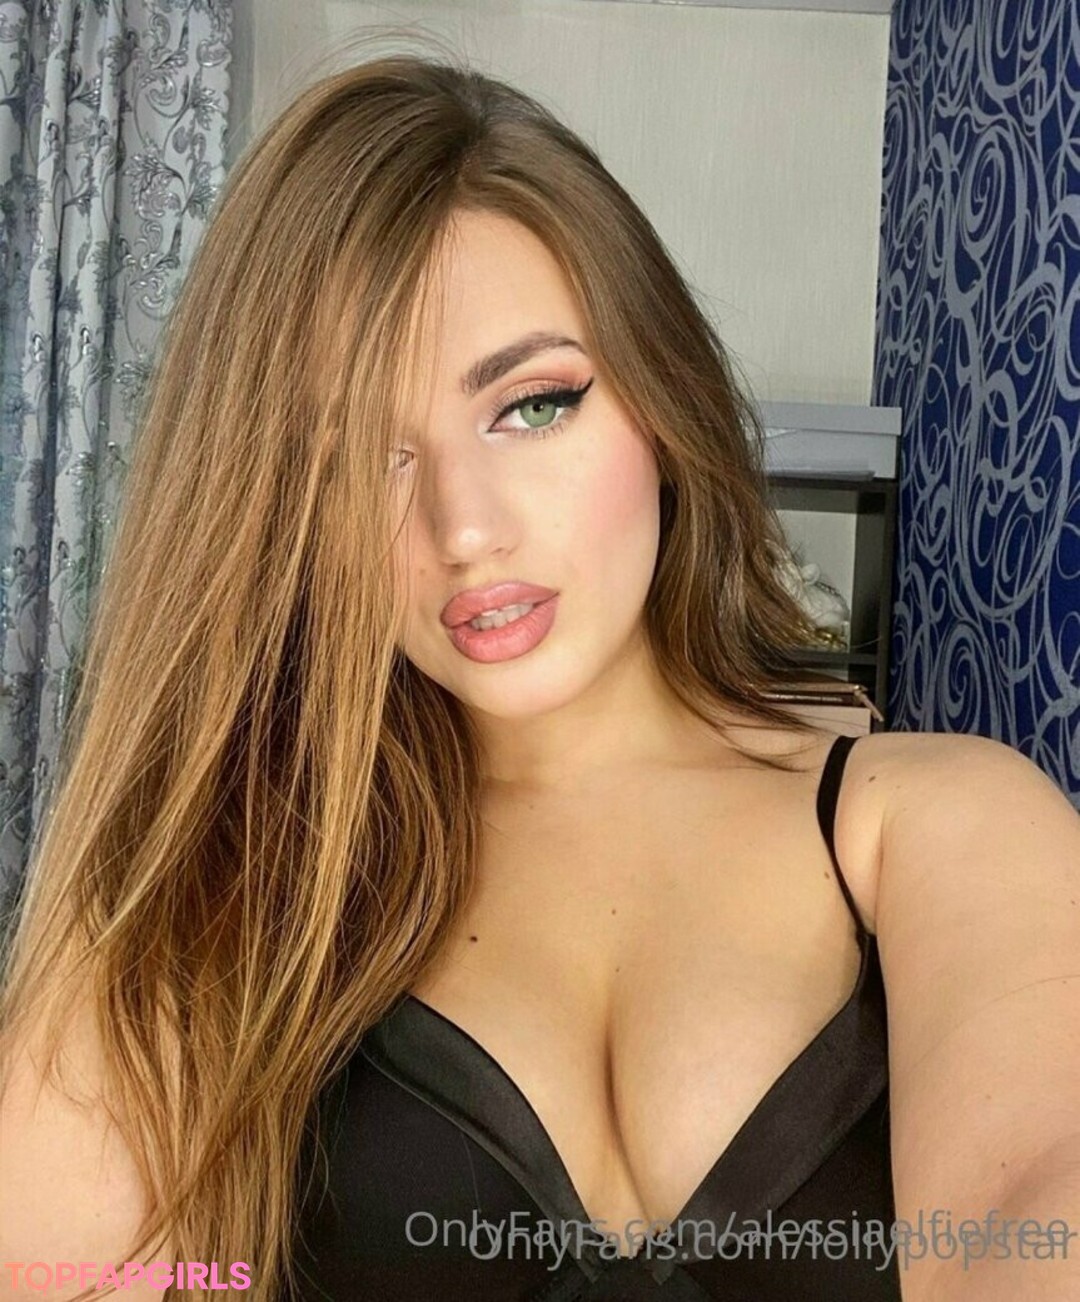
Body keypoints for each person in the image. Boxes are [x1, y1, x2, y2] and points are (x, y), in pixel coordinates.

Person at [2, 45, 1078, 1302]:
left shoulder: (938, 822)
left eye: (532, 404)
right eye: (355, 458)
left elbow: (1032, 1212)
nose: (464, 528)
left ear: (661, 399)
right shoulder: (220, 887)